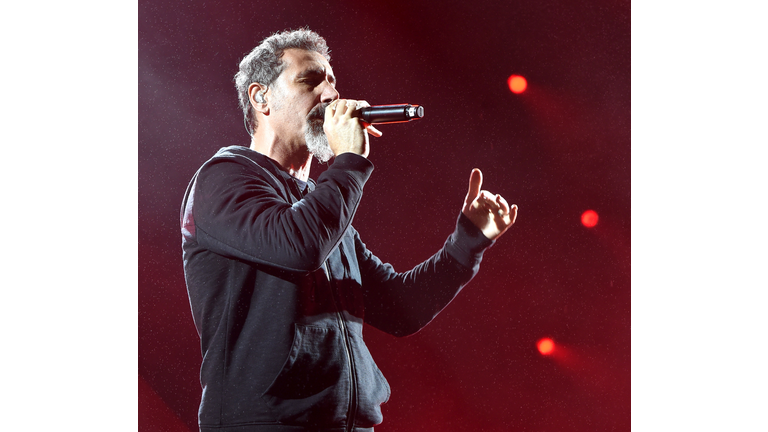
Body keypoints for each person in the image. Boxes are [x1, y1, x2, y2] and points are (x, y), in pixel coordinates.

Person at [180, 28, 517, 432]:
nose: (329, 96)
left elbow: (399, 308)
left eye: (332, 82)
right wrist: (350, 161)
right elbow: (299, 246)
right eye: (309, 81)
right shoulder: (224, 179)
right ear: (260, 97)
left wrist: (468, 242)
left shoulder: (319, 203)